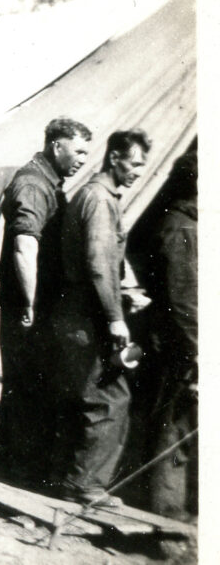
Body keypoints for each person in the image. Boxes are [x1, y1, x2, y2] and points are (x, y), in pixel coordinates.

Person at [52, 129, 151, 508]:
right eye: (134, 163)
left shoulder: (103, 196)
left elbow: (108, 263)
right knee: (108, 399)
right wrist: (115, 317)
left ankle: (79, 479)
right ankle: (84, 484)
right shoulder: (97, 199)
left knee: (99, 395)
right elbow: (96, 263)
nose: (139, 172)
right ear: (114, 158)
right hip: (86, 314)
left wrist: (126, 294)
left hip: (86, 310)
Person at [0, 117, 91, 486]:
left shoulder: (50, 182)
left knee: (32, 384)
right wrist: (33, 303)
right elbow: (24, 247)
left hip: (38, 302)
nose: (83, 158)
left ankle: (19, 466)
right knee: (24, 386)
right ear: (57, 146)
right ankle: (16, 471)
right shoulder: (33, 185)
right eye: (78, 150)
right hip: (26, 305)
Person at [146, 149, 197, 519]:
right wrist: (198, 349)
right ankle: (167, 510)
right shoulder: (182, 227)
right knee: (176, 426)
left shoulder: (186, 223)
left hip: (183, 337)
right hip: (182, 341)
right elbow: (183, 297)